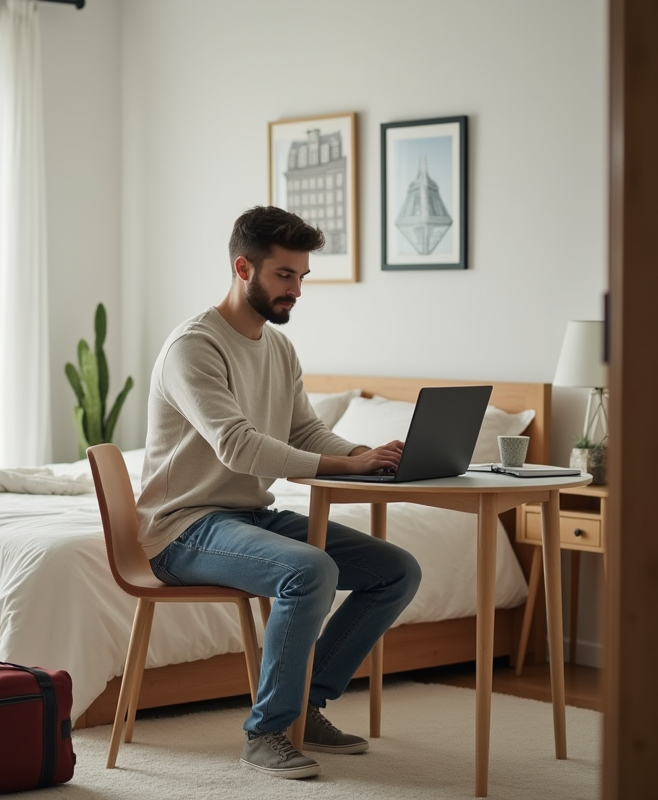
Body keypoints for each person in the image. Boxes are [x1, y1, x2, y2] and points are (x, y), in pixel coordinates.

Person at [136, 205, 423, 779]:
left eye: (301, 277)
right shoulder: (194, 347)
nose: (296, 289)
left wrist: (365, 459)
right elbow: (238, 446)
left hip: (246, 517)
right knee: (309, 570)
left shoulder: (277, 347)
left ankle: (304, 707)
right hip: (182, 527)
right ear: (244, 267)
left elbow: (303, 431)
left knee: (397, 570)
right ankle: (266, 731)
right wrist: (343, 462)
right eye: (284, 275)